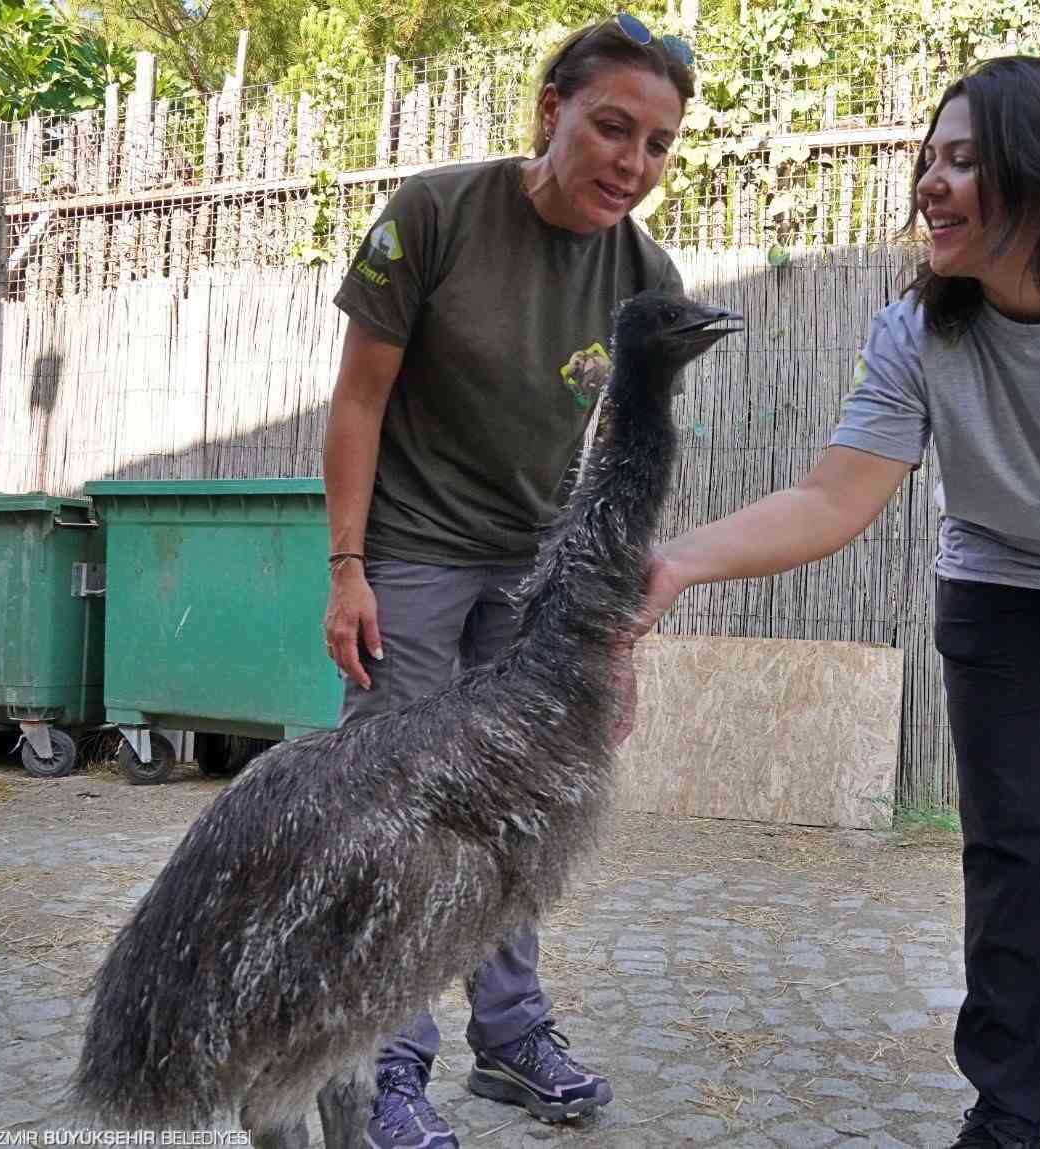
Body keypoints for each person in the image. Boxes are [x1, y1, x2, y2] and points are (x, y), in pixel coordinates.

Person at [639, 56, 1040, 1149]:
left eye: (964, 160)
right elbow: (832, 495)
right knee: (1014, 856)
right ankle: (1003, 1121)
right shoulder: (921, 331)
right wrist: (675, 563)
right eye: (928, 159)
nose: (931, 183)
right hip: (1005, 593)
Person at [321, 14, 694, 1147]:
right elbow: (357, 401)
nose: (630, 163)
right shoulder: (434, 216)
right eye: (611, 128)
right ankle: (382, 1060)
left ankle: (512, 1034)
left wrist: (609, 642)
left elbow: (629, 474)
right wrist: (347, 567)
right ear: (553, 111)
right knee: (405, 817)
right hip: (416, 556)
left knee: (522, 813)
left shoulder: (647, 279)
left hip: (538, 579)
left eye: (658, 144)